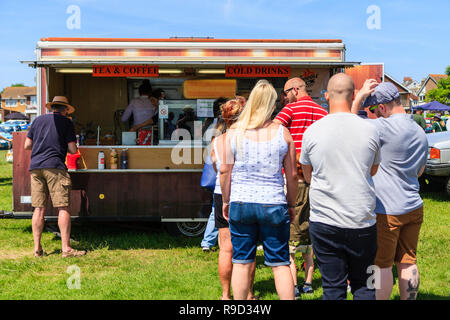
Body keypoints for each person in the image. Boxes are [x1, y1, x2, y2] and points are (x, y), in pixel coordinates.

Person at [300, 73, 381, 300]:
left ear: (326, 96)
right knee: (365, 287)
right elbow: (372, 170)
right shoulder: (370, 130)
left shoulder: (312, 131)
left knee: (333, 288)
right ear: (354, 95)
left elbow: (308, 175)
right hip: (362, 219)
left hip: (325, 221)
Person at [220, 80, 298, 300]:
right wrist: (291, 203)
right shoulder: (283, 134)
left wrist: (226, 201)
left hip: (241, 202)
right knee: (280, 262)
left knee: (242, 262)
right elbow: (292, 175)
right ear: (272, 105)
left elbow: (225, 171)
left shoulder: (234, 133)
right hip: (273, 202)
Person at [352, 80, 428, 300]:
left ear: (383, 106)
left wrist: (358, 98)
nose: (375, 114)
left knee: (381, 264)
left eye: (375, 109)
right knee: (408, 261)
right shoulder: (419, 131)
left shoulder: (383, 127)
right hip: (413, 205)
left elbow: (348, 123)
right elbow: (420, 171)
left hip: (386, 209)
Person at [273, 77, 327, 298]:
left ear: (295, 90)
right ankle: (310, 278)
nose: (285, 97)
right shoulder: (323, 113)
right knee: (312, 226)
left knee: (292, 229)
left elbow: (272, 130)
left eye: (286, 93)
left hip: (293, 176)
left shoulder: (290, 110)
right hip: (318, 178)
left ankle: (293, 283)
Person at [24, 96, 86, 258]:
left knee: (38, 208)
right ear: (65, 110)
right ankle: (66, 249)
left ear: (52, 107)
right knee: (63, 207)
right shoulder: (66, 123)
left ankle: (37, 249)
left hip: (36, 167)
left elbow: (27, 145)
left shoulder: (37, 121)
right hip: (55, 167)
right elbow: (72, 150)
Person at [212, 97, 257, 300]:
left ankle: (225, 295)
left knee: (225, 248)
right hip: (244, 193)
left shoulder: (217, 140)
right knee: (248, 247)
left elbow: (218, 168)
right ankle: (248, 294)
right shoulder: (250, 139)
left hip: (221, 194)